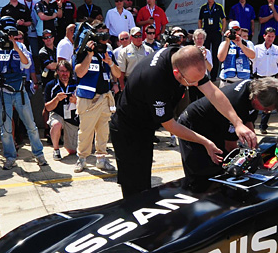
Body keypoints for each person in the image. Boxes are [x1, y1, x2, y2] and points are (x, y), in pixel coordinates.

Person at [110, 45, 258, 198]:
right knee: (135, 186)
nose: (195, 85)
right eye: (191, 82)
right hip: (129, 129)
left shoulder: (183, 58)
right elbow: (170, 126)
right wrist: (205, 142)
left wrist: (237, 123)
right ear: (176, 73)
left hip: (146, 127)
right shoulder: (155, 79)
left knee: (144, 182)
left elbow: (213, 92)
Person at [178, 77, 278, 184]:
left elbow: (248, 120)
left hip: (215, 124)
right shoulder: (236, 103)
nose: (266, 112)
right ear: (256, 97)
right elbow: (230, 147)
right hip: (193, 126)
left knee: (219, 166)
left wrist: (254, 147)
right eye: (266, 109)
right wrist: (253, 165)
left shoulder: (252, 89)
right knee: (202, 172)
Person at [0, 26, 47, 169]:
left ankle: (39, 154)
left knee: (31, 125)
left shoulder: (20, 45)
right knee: (6, 128)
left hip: (19, 91)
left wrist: (15, 46)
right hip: (2, 92)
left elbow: (27, 64)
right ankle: (10, 157)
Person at [73, 29, 123, 173]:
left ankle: (101, 159)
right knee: (85, 132)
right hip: (88, 98)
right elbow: (79, 72)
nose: (104, 42)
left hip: (104, 97)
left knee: (103, 131)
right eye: (101, 39)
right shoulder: (83, 51)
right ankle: (81, 159)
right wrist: (89, 55)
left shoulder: (108, 52)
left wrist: (110, 63)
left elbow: (118, 74)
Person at [252, 27, 278, 133]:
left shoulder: (277, 49)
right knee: (255, 101)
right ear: (264, 36)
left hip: (271, 78)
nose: (270, 38)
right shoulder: (256, 48)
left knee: (269, 102)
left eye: (272, 36)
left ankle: (263, 126)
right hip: (259, 78)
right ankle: (251, 125)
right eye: (269, 36)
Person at [45, 61, 79, 160]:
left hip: (72, 117)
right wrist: (56, 99)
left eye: (67, 71)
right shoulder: (51, 85)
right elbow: (47, 108)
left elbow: (84, 104)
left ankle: (67, 141)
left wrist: (75, 101)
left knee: (72, 151)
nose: (64, 74)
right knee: (56, 124)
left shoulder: (76, 84)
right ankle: (56, 150)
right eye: (62, 71)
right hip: (57, 114)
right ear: (57, 72)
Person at [217, 21, 256, 86]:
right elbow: (221, 58)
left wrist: (241, 44)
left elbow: (252, 56)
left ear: (240, 30)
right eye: (233, 30)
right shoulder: (224, 44)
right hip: (227, 81)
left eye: (237, 30)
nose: (235, 32)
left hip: (243, 81)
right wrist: (227, 41)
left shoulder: (247, 43)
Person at [198, 0, 226, 78]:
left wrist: (222, 31)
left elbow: (224, 20)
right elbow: (199, 20)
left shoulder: (219, 7)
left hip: (216, 33)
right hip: (206, 34)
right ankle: (204, 75)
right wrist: (200, 31)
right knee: (204, 53)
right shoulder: (203, 8)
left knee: (215, 54)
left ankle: (213, 76)